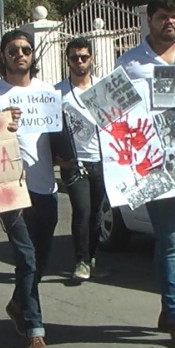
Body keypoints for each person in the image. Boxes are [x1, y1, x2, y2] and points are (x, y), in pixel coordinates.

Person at [116, 0, 175, 348]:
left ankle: (173, 310)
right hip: (154, 165)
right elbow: (113, 112)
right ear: (149, 20)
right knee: (169, 240)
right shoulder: (130, 63)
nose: (169, 22)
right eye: (162, 16)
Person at [0, 29, 58, 348]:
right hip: (11, 189)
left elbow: (61, 135)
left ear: (32, 55)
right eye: (13, 51)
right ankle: (34, 331)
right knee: (25, 258)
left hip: (46, 188)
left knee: (40, 261)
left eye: (25, 49)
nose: (20, 55)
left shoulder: (48, 92)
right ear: (3, 56)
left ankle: (17, 303)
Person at [54, 37, 108, 282]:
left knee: (98, 212)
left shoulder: (103, 88)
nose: (79, 62)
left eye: (84, 57)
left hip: (103, 160)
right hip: (75, 163)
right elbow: (50, 129)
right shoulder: (58, 92)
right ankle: (81, 261)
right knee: (82, 211)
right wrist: (58, 158)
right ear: (68, 60)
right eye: (74, 57)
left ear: (91, 59)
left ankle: (92, 257)